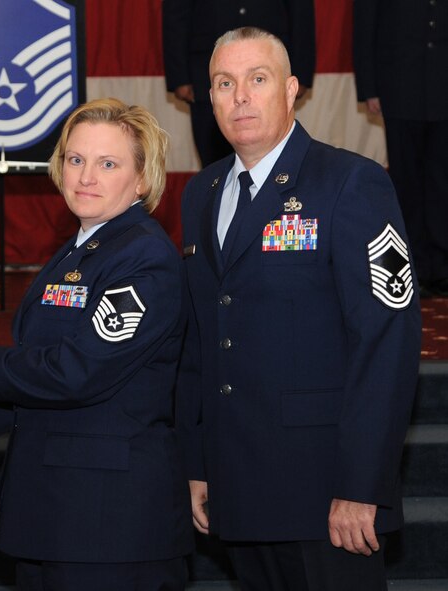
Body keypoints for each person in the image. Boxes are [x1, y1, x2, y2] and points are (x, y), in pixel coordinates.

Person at [0, 98, 194, 590]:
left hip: (110, 530)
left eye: (108, 164)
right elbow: (26, 384)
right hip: (56, 520)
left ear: (142, 179)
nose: (86, 176)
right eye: (76, 159)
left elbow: (76, 372)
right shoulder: (79, 252)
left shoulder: (145, 257)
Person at [178, 27, 421, 590]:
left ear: (291, 90)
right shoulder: (201, 194)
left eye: (257, 79)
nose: (241, 96)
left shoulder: (351, 183)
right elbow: (199, 341)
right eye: (224, 83)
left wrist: (362, 485)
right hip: (237, 484)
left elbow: (387, 342)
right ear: (210, 98)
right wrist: (197, 462)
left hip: (327, 494)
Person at [352, 0, 448, 297]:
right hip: (398, 85)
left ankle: (443, 267)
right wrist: (369, 87)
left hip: (443, 83)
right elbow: (365, 25)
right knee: (406, 184)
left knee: (442, 183)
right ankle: (412, 267)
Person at [161, 0, 315, 167]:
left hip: (272, 57)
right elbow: (176, 13)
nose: (240, 96)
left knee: (279, 156)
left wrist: (302, 71)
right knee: (214, 165)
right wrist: (179, 76)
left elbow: (301, 11)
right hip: (204, 69)